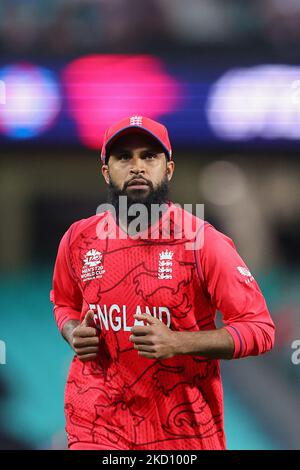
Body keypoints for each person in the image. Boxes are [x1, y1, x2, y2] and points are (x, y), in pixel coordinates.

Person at [50, 115, 275, 450]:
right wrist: (72, 332)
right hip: (96, 423)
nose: (137, 166)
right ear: (106, 171)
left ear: (168, 169)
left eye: (149, 156)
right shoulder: (79, 239)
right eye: (124, 157)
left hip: (181, 435)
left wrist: (178, 342)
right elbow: (63, 302)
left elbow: (260, 329)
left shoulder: (203, 243)